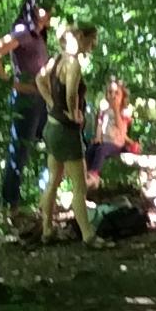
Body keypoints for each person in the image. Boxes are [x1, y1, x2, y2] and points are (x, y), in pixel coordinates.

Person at [0, 0, 52, 218]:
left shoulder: (38, 34)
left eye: (50, 7)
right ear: (33, 8)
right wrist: (8, 80)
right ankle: (9, 207)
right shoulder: (23, 31)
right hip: (26, 101)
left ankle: (45, 200)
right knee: (19, 152)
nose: (48, 11)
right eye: (43, 7)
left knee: (54, 143)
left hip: (42, 100)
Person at [35, 23, 103, 246]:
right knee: (79, 186)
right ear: (81, 37)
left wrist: (50, 102)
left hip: (52, 127)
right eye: (92, 40)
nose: (94, 44)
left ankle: (46, 230)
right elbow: (72, 92)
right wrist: (74, 114)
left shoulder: (56, 59)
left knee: (53, 181)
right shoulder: (73, 63)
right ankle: (88, 235)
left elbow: (39, 79)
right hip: (66, 131)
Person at [86, 78, 139, 186]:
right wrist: (98, 137)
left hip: (116, 144)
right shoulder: (104, 110)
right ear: (106, 95)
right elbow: (100, 124)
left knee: (101, 150)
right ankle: (85, 172)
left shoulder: (123, 112)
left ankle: (94, 175)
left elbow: (121, 129)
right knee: (91, 149)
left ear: (122, 97)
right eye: (110, 92)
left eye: (117, 93)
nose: (113, 95)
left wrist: (116, 111)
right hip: (104, 141)